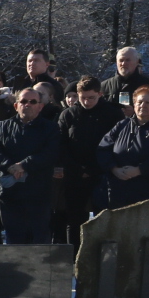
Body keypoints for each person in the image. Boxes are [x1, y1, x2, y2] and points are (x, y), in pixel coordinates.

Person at [0, 87, 61, 243]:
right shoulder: (3, 126)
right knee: (14, 240)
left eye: (33, 102)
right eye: (23, 101)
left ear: (40, 106)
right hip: (10, 193)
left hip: (38, 193)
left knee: (39, 240)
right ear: (16, 105)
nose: (27, 104)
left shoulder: (51, 128)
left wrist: (24, 165)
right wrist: (9, 166)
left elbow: (50, 154)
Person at [56, 76, 121, 244]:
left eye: (91, 97)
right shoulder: (68, 115)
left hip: (102, 174)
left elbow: (116, 145)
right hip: (75, 175)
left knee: (103, 219)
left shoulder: (112, 114)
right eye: (82, 97)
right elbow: (61, 146)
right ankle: (75, 258)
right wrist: (77, 169)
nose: (86, 101)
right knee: (74, 221)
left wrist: (96, 168)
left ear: (100, 94)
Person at [96, 86, 149, 211]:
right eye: (139, 102)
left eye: (148, 102)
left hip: (148, 193)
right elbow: (103, 148)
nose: (142, 105)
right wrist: (113, 168)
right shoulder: (122, 125)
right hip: (117, 191)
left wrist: (140, 170)